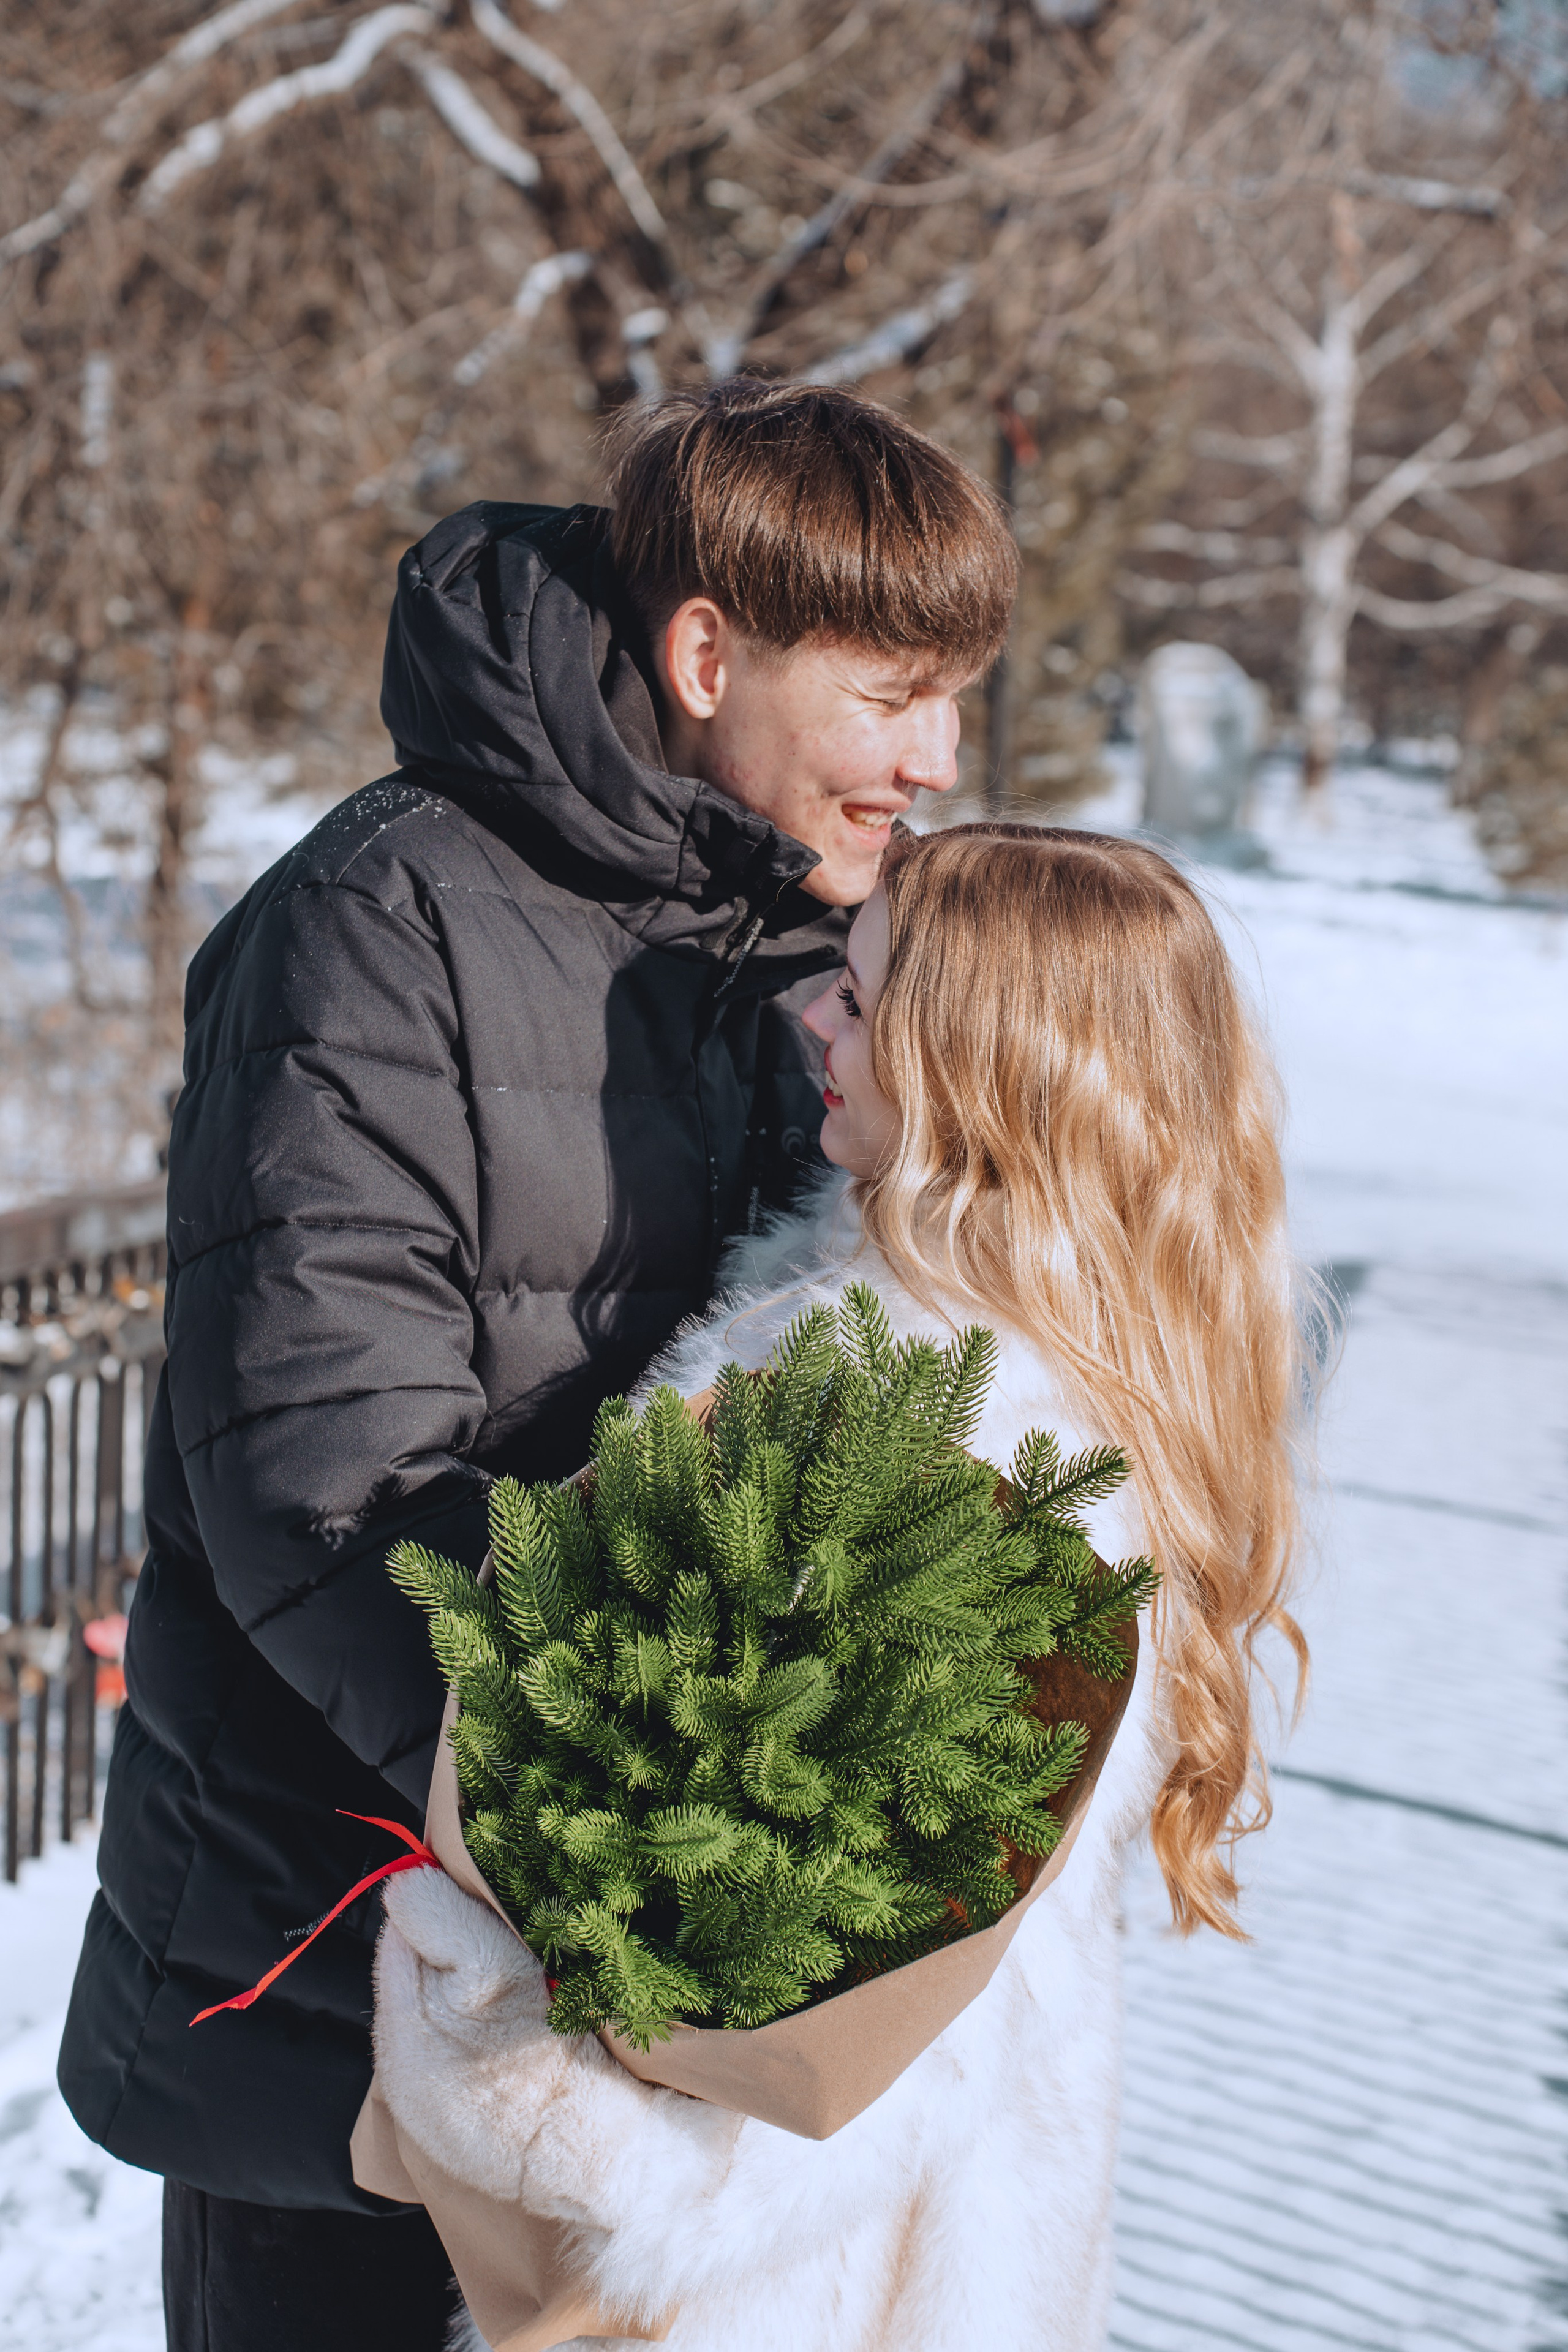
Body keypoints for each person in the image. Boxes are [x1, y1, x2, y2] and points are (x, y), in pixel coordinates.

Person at [56, 382, 1017, 2350]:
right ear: (706, 656)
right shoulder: (375, 926)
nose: (935, 759)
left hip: (679, 2050)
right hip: (355, 1987)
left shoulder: (821, 945)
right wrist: (616, 1851)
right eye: (894, 695)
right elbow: (313, 1472)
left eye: (956, 701)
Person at [372, 824, 1315, 2352]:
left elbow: (814, 2006)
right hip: (950, 2259)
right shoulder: (1058, 1381)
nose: (813, 1014)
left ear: (980, 1075)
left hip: (792, 2292)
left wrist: (481, 2039)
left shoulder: (930, 1448)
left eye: (862, 1001)